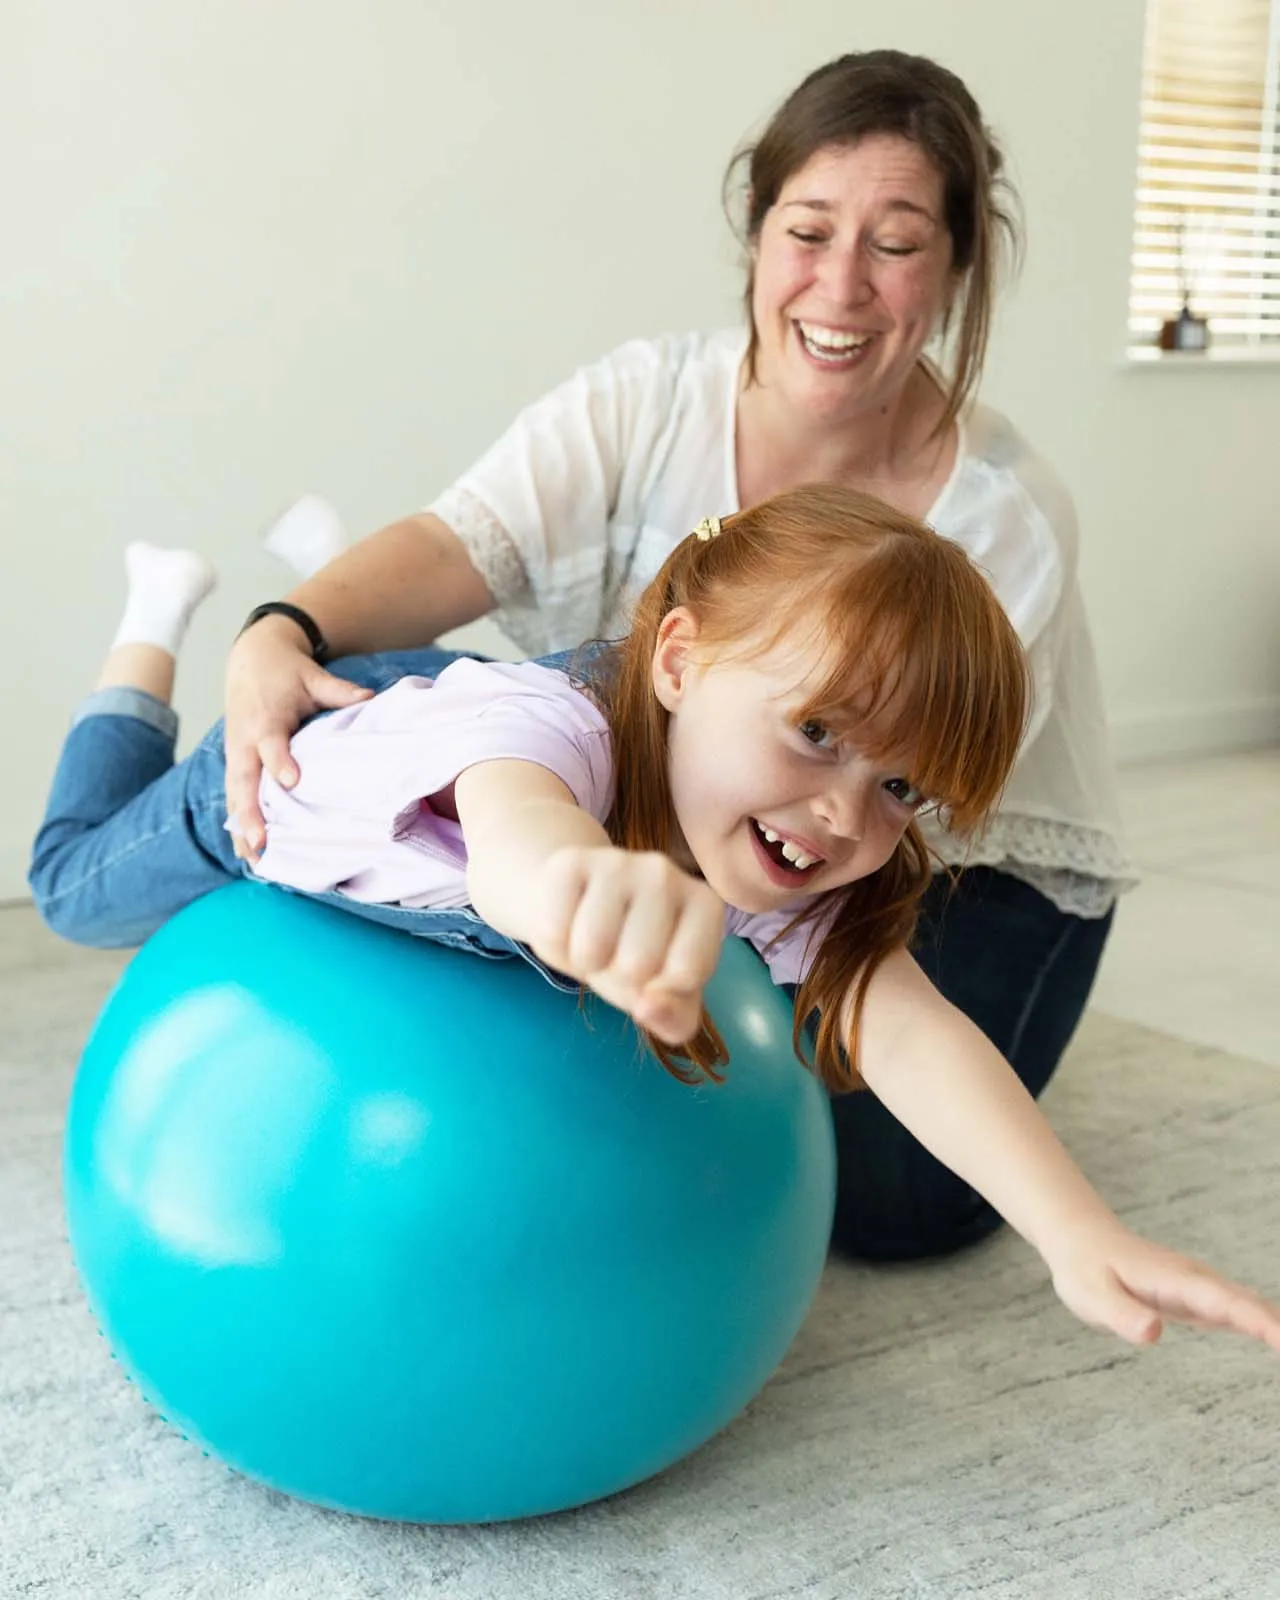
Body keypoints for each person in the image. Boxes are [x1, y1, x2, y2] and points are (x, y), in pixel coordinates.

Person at [234, 49, 1133, 1261]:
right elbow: (456, 545)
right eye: (807, 230)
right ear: (756, 237)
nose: (842, 284)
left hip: (945, 852)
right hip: (720, 787)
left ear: (957, 271)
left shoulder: (996, 519)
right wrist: (280, 632)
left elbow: (869, 822)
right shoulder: (649, 398)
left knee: (878, 1199)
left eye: (898, 242)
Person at [28, 489, 1280, 1356]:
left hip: (490, 718)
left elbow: (914, 1035)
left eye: (900, 788)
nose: (842, 813)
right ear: (675, 662)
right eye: (817, 732)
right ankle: (151, 615)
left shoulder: (780, 843)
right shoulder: (541, 741)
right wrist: (591, 890)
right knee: (74, 885)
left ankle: (337, 557)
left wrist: (1075, 1229)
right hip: (299, 769)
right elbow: (523, 842)